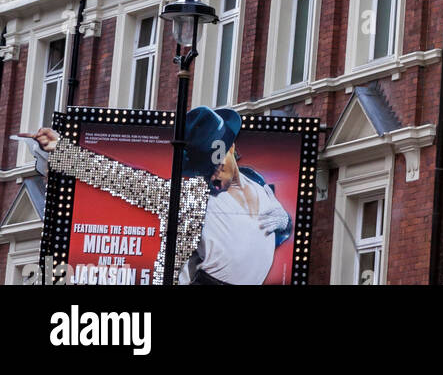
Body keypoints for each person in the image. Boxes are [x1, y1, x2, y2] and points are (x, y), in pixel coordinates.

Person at [32, 105, 292, 285]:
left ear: (232, 146)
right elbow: (124, 180)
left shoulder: (258, 182)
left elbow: (275, 233)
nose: (215, 170)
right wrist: (61, 150)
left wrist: (285, 221)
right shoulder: (191, 196)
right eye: (207, 166)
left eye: (218, 158)